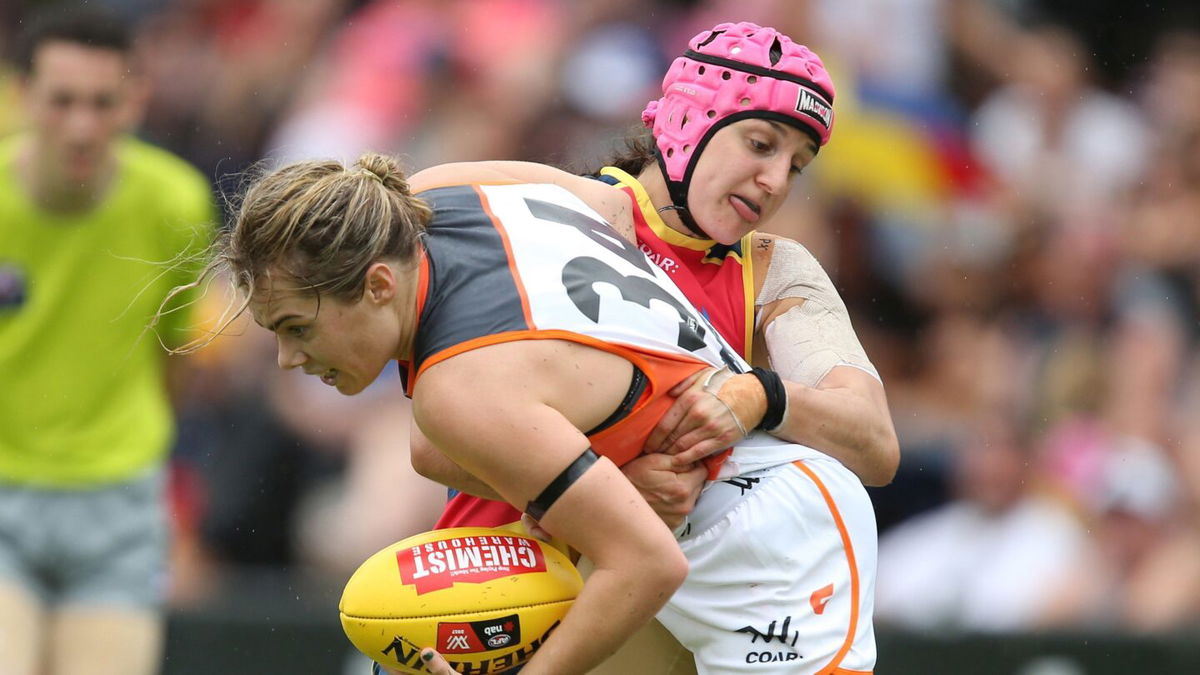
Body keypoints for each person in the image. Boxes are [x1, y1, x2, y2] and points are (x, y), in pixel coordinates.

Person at [171, 140, 878, 673]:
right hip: (707, 517)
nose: (289, 360)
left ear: (380, 285)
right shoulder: (435, 194)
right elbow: (611, 208)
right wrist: (624, 435)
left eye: (297, 327)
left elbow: (646, 562)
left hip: (772, 539)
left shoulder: (460, 389)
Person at [411, 21, 898, 672]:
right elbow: (434, 445)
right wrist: (611, 489)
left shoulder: (774, 269)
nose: (776, 179)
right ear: (688, 120)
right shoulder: (563, 216)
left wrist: (762, 394)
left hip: (627, 606)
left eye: (797, 166)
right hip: (496, 596)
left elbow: (872, 440)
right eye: (760, 143)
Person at [0, 8, 213, 675]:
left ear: (134, 101)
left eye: (103, 102)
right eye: (62, 101)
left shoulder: (176, 201)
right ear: (24, 95)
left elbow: (173, 357)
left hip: (118, 506)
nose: (82, 125)